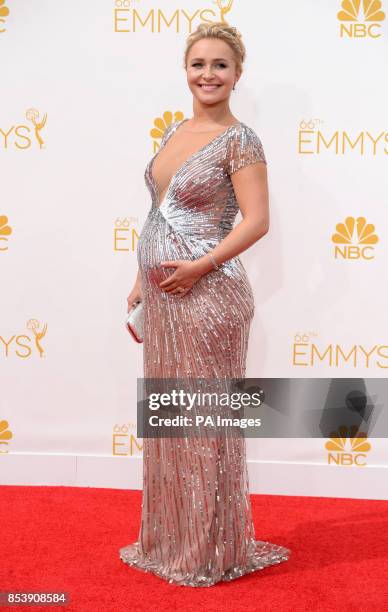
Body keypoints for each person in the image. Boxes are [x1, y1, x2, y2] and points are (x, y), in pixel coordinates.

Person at [119, 22, 291, 587]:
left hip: (209, 295)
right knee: (171, 418)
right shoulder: (175, 131)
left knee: (202, 422)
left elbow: (258, 221)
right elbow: (160, 212)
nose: (208, 74)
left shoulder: (242, 141)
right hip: (167, 296)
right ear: (185, 71)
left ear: (238, 75)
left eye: (220, 65)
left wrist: (200, 266)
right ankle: (169, 537)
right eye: (198, 64)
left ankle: (205, 551)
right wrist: (142, 277)